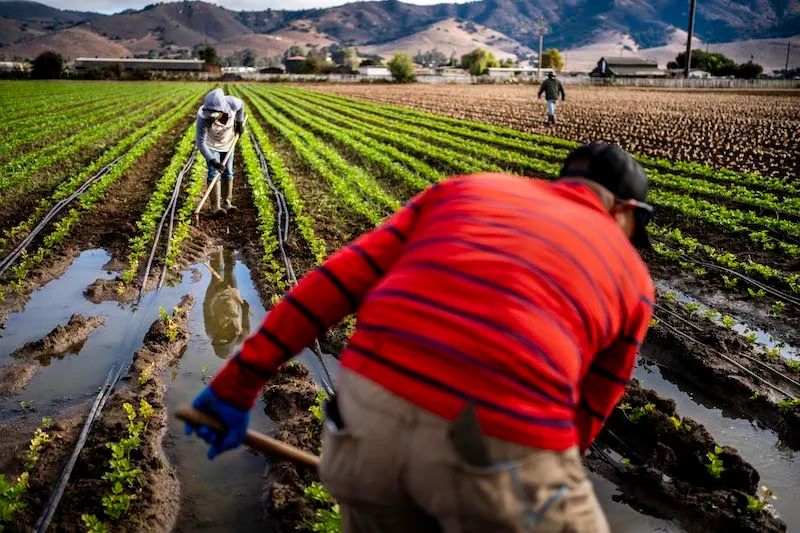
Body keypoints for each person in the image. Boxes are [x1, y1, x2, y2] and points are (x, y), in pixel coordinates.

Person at [186, 143, 655, 532]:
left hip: (363, 415)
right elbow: (589, 411)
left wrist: (235, 388)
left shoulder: (467, 190)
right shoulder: (633, 277)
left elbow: (332, 285)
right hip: (497, 435)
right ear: (625, 210)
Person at [196, 88, 246, 217]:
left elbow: (241, 107)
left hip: (228, 142)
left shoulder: (233, 103)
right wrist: (212, 160)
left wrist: (239, 123)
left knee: (228, 172)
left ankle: (227, 203)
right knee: (213, 173)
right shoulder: (202, 116)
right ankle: (215, 207)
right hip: (211, 145)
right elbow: (200, 143)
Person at [202, 249, 251, 359]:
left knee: (218, 271)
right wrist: (245, 310)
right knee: (230, 269)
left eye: (218, 338)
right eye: (224, 338)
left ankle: (216, 248)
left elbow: (206, 307)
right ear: (231, 340)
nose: (221, 335)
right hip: (231, 303)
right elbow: (246, 328)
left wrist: (216, 292)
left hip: (214, 300)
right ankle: (229, 247)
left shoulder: (211, 330)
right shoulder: (240, 336)